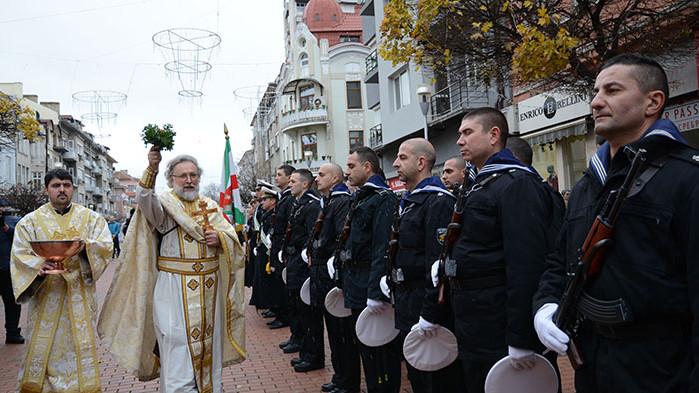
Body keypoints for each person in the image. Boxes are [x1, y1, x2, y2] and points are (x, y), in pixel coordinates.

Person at [533, 54, 699, 392]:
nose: (596, 102)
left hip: (662, 369)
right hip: (594, 365)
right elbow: (559, 260)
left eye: (612, 90)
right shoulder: (587, 185)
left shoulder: (687, 179)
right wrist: (545, 305)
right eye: (595, 92)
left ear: (653, 102)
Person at [420, 108, 564, 393]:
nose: (459, 141)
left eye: (467, 133)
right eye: (460, 134)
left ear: (494, 135)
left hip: (498, 323)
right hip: (475, 321)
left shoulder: (516, 183)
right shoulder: (480, 184)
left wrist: (522, 338)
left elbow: (526, 263)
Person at [98, 149, 246, 393]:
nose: (189, 180)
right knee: (177, 346)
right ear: (171, 179)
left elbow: (233, 239)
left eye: (193, 175)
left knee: (210, 347)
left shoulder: (210, 205)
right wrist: (151, 168)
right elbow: (145, 198)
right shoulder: (164, 206)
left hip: (210, 288)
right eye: (183, 176)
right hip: (173, 288)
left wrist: (220, 237)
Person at [11, 169, 112, 392]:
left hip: (79, 295)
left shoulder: (91, 218)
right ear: (46, 189)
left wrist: (86, 246)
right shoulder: (31, 221)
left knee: (78, 346)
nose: (62, 189)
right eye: (56, 185)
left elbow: (106, 246)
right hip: (46, 295)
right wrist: (38, 265)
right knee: (45, 345)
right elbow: (19, 253)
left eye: (66, 185)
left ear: (73, 189)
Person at [382, 138, 464, 393]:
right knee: (417, 376)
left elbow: (436, 264)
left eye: (402, 158)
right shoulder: (410, 201)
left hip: (425, 307)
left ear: (420, 162)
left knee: (436, 380)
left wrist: (430, 314)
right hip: (407, 302)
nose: (395, 163)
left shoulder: (437, 201)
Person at [339, 146, 401, 393]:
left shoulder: (382, 197)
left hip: (369, 283)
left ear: (368, 167)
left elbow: (381, 248)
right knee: (366, 346)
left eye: (352, 166)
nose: (347, 171)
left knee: (381, 350)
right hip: (355, 281)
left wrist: (376, 293)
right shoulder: (362, 196)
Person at [304, 163, 357, 392]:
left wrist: (332, 260)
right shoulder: (330, 201)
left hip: (333, 277)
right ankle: (339, 377)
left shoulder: (341, 201)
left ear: (335, 177)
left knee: (342, 333)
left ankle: (348, 381)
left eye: (322, 175)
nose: (317, 179)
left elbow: (340, 237)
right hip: (322, 276)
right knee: (334, 333)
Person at [284, 169, 322, 372]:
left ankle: (314, 356)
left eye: (293, 181)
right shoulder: (298, 204)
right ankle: (306, 352)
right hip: (294, 263)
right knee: (300, 309)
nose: (290, 184)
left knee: (309, 312)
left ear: (305, 184)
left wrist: (303, 255)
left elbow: (311, 234)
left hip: (303, 263)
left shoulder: (312, 205)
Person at [273, 165, 297, 344]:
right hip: (282, 249)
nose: (276, 178)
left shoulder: (290, 200)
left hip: (288, 251)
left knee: (290, 294)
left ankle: (295, 333)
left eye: (279, 175)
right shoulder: (284, 198)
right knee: (284, 291)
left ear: (289, 179)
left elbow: (289, 227)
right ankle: (294, 335)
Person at [0, 198, 23, 344]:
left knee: (13, 304)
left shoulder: (14, 221)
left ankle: (12, 332)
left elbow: (22, 239)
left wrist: (6, 228)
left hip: (9, 271)